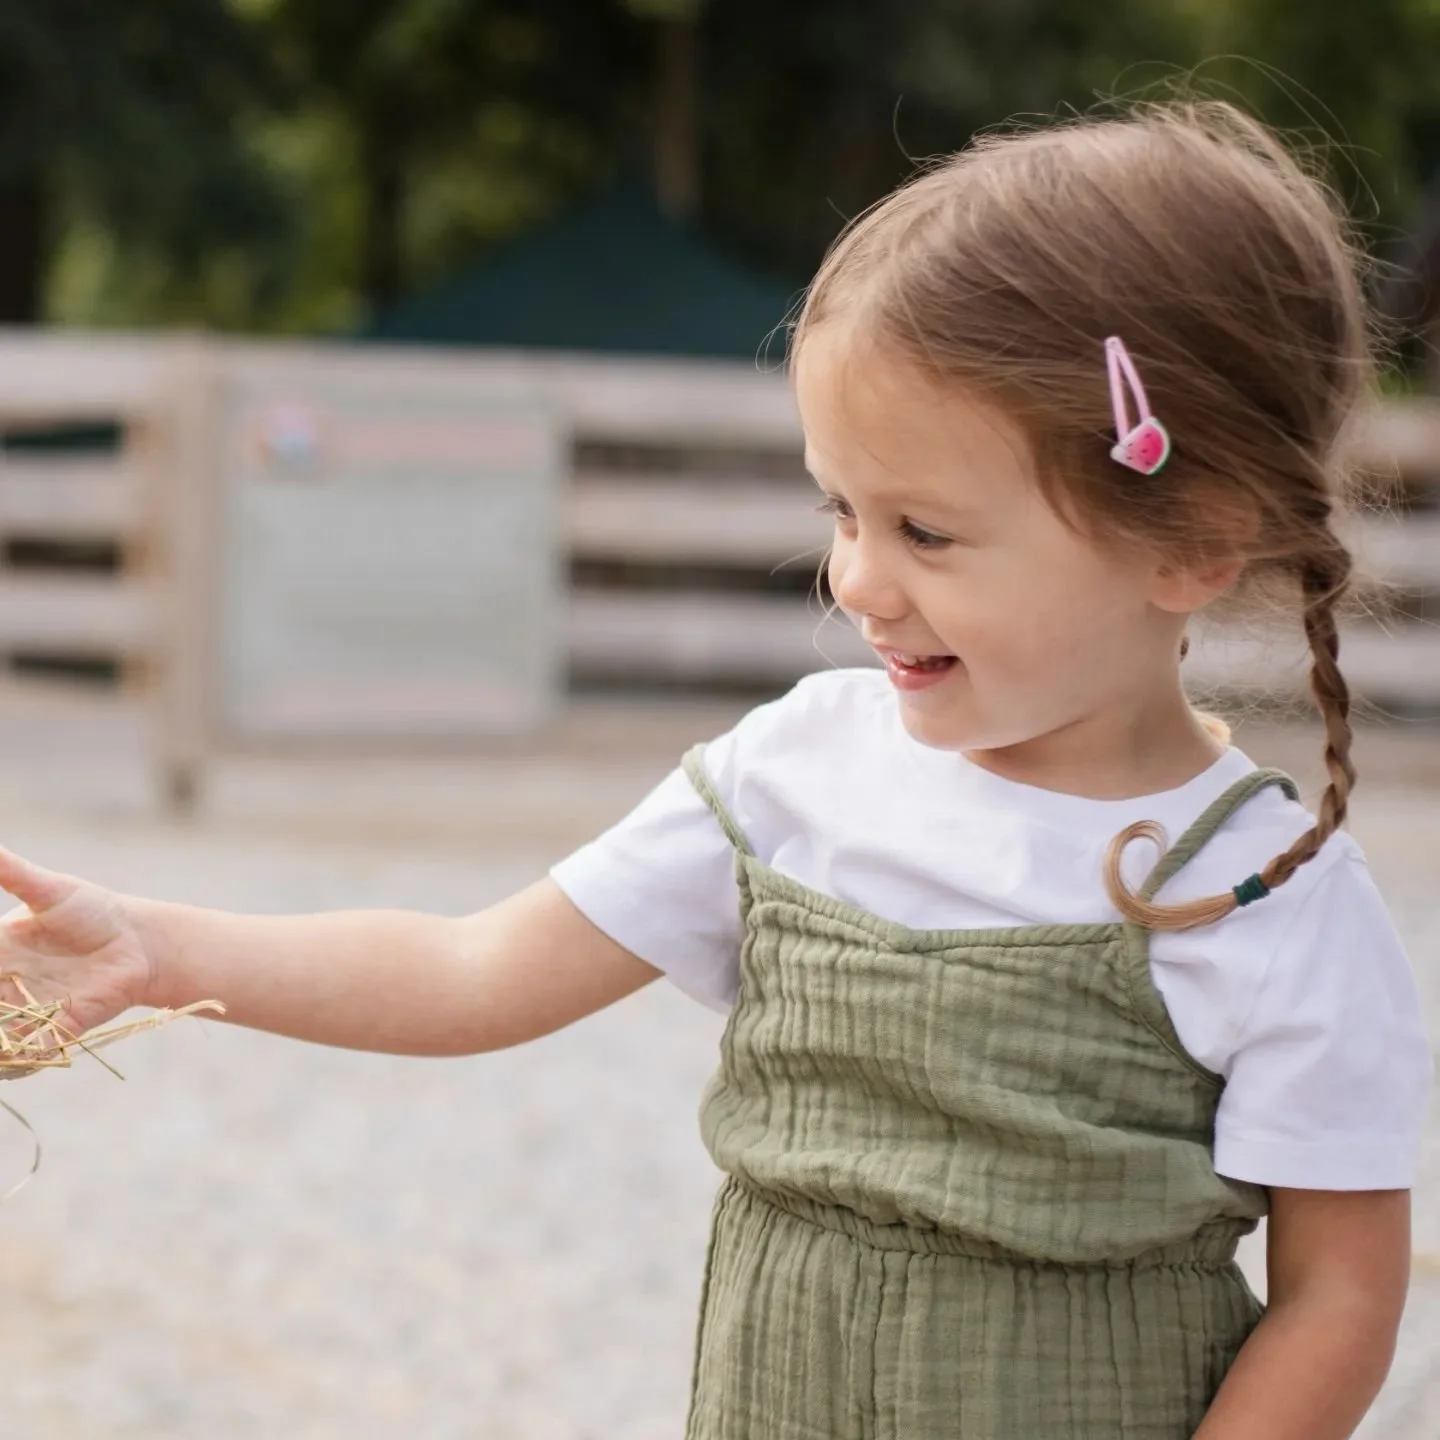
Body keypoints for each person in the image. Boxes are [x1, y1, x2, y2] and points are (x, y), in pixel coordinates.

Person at [0, 99, 1431, 1439]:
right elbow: (471, 970)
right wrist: (162, 948)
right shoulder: (800, 773)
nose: (858, 581)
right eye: (841, 510)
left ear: (1191, 545)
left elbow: (1341, 1293)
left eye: (926, 532)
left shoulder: (1271, 896)